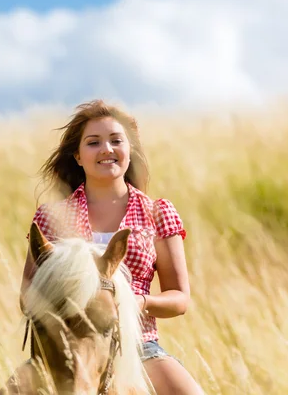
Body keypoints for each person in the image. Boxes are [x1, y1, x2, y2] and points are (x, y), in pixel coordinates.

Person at [19, 99, 205, 394]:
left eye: (116, 141)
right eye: (94, 142)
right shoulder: (52, 217)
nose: (106, 149)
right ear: (78, 156)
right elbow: (28, 295)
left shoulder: (157, 213)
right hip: (64, 349)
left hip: (138, 346)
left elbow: (180, 299)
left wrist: (135, 302)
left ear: (130, 150)